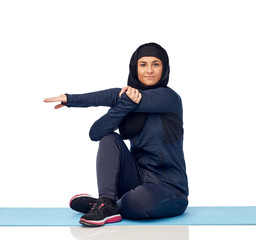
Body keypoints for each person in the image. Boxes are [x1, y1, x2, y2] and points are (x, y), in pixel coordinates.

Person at [44, 42, 189, 227]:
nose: (149, 70)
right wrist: (70, 99)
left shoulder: (169, 98)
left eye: (156, 64)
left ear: (164, 68)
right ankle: (107, 202)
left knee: (136, 202)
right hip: (137, 178)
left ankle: (109, 204)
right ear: (135, 68)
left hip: (170, 189)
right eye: (143, 64)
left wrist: (125, 102)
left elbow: (122, 98)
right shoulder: (128, 98)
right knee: (109, 137)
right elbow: (95, 132)